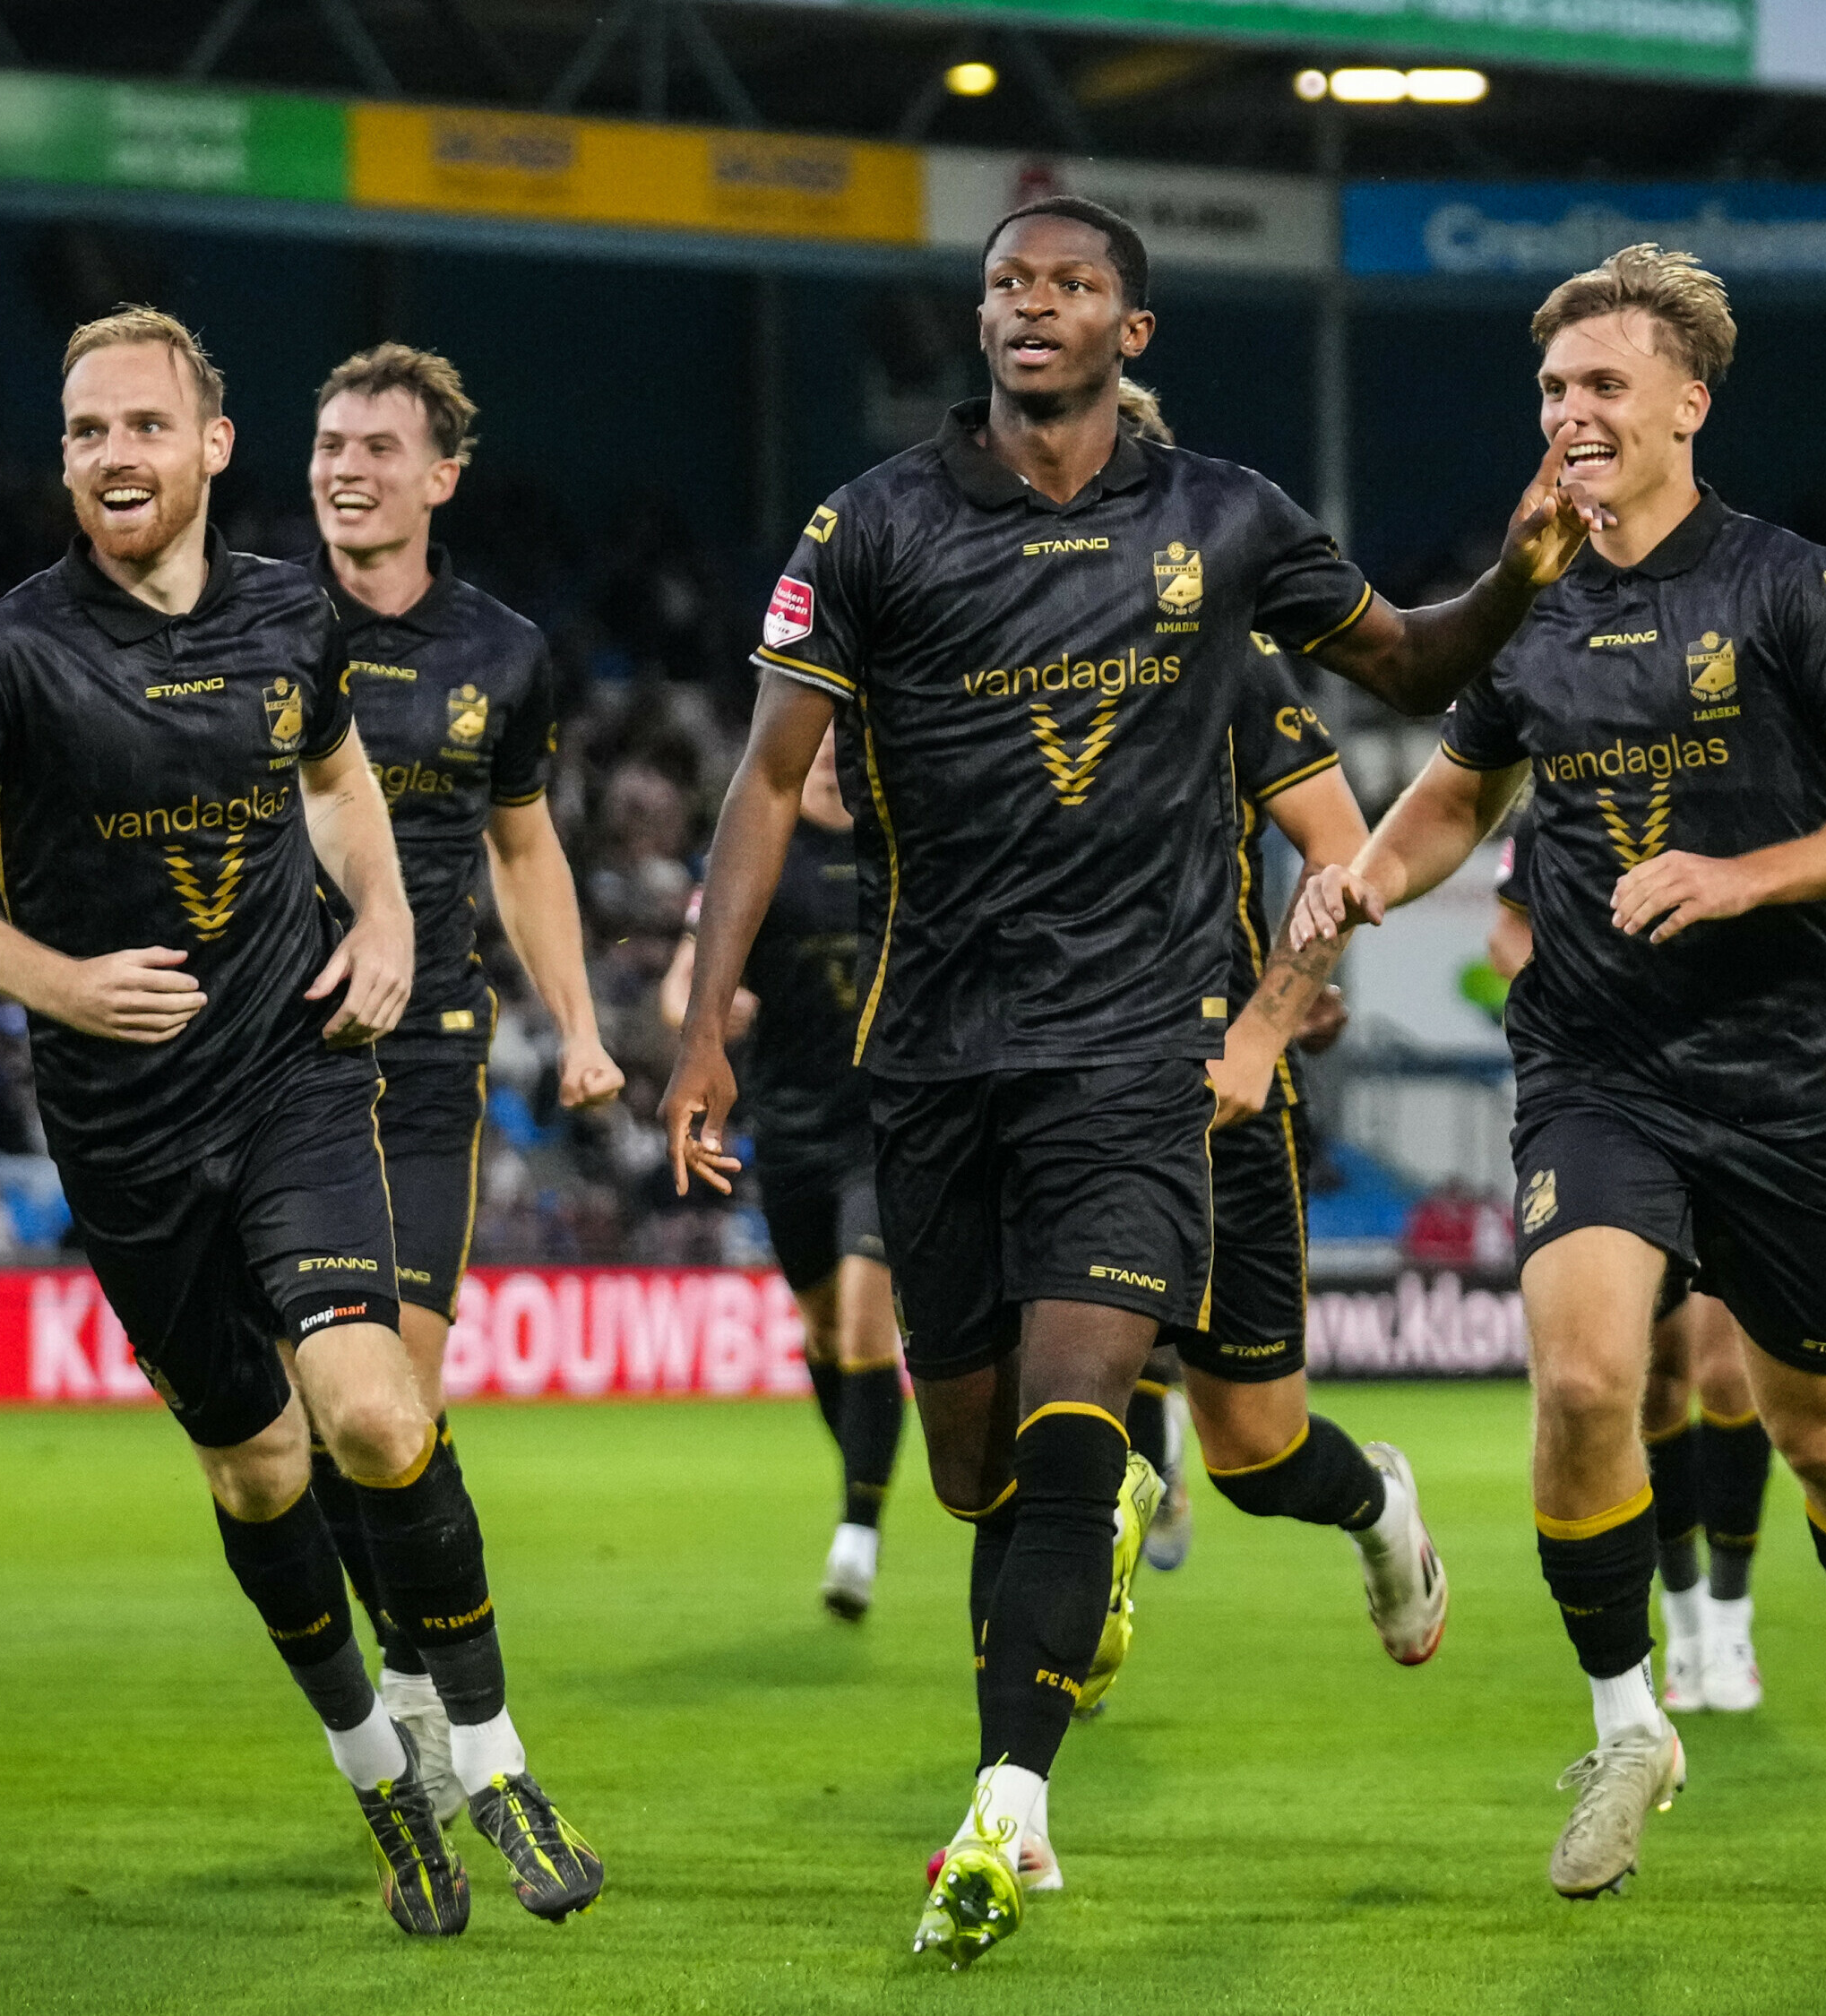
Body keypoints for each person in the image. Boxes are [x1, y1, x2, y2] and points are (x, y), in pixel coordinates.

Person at [659, 196, 1589, 1966]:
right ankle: (1198, 1571)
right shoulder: (868, 525)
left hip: (1147, 1053)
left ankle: (1006, 1808)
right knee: (977, 1471)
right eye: (1007, 281)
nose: (1033, 303)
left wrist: (1519, 578)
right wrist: (702, 1024)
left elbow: (1405, 670)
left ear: (1129, 331)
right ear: (979, 319)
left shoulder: (1226, 527)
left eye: (1071, 283)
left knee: (1088, 1404)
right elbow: (768, 782)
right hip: (936, 1059)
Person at [0, 306, 595, 1941]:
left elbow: (337, 778)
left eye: (141, 426)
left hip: (292, 1077)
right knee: (258, 1470)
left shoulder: (285, 615)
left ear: (211, 446)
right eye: (84, 431)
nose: (111, 455)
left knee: (377, 1417)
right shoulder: (8, 651)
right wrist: (56, 979)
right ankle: (374, 1773)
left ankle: (492, 1759)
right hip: (123, 1134)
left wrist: (383, 918)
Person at [1290, 243, 1826, 1901]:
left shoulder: (1798, 589)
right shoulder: (1527, 605)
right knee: (1588, 1385)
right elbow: (1458, 796)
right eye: (1552, 389)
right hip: (1594, 1064)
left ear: (1687, 405)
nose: (1570, 412)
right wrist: (1364, 881)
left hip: (1779, 1072)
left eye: (1602, 384)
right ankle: (1624, 1724)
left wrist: (1743, 878)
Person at [297, 342, 626, 1831]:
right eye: (330, 444)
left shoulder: (502, 651)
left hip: (426, 1059)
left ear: (440, 476)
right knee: (323, 1422)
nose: (346, 468)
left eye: (378, 447)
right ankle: (419, 1682)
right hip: (272, 1064)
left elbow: (524, 843)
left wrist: (579, 1022)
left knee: (396, 1406)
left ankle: (423, 1698)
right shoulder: (253, 623)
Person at [1093, 377, 1393, 1704]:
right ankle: (1057, 1643)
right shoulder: (973, 641)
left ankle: (1375, 1503)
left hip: (1212, 1084)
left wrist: (1268, 1019)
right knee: (1049, 1387)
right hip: (1040, 1071)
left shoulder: (1228, 657)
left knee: (1259, 1456)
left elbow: (1343, 851)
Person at [1498, 835, 1773, 1714]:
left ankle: (1730, 1619)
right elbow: (1507, 932)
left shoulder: (1749, 783)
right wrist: (1582, 1003)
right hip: (1621, 1116)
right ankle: (1683, 1618)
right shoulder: (1567, 790)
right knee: (1655, 1390)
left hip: (1740, 1097)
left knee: (1730, 1375)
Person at [659, 717, 902, 1623]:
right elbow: (681, 983)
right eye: (821, 733)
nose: (833, 748)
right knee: (827, 1335)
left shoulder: (900, 839)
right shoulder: (758, 845)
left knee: (866, 1318)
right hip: (793, 1130)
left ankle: (858, 1534)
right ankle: (863, 1470)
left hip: (890, 1125)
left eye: (848, 733)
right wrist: (707, 1011)